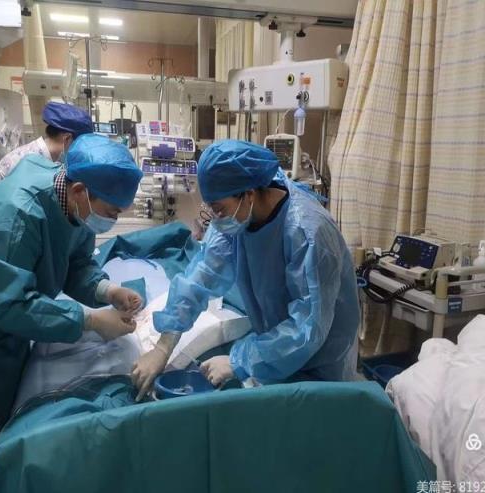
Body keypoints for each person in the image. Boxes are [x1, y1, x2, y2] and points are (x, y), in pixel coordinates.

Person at [0, 133, 143, 443]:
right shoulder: (15, 213)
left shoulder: (73, 204)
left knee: (5, 407)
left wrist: (106, 291)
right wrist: (90, 320)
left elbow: (74, 262)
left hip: (5, 333)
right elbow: (14, 305)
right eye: (111, 213)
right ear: (80, 192)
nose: (113, 220)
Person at [132, 140, 359, 398]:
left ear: (249, 194)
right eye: (211, 208)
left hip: (322, 361)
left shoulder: (307, 232)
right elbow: (200, 278)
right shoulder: (235, 221)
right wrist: (163, 347)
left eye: (219, 208)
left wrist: (239, 360)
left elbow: (307, 328)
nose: (215, 217)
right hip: (276, 350)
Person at [0, 101, 93, 186]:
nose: (80, 151)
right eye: (79, 145)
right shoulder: (28, 163)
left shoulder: (46, 159)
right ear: (67, 139)